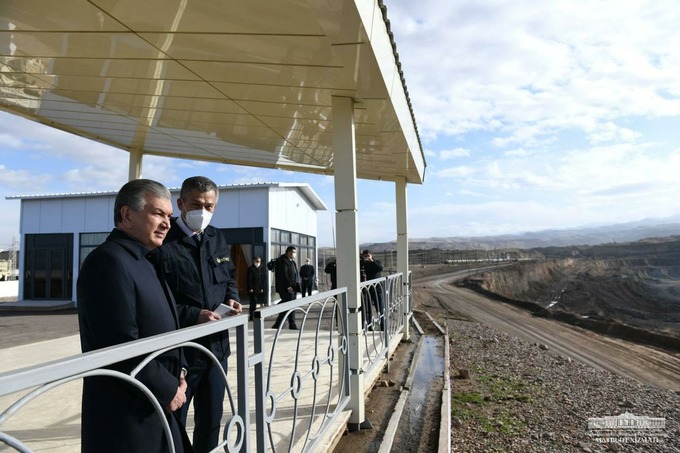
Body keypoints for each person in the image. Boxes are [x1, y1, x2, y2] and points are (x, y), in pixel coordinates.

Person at [77, 179, 192, 453]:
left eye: (169, 216)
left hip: (155, 401)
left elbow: (166, 322)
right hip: (127, 413)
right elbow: (120, 344)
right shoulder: (108, 262)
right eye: (158, 214)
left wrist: (181, 372)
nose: (167, 223)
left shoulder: (146, 259)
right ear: (127, 215)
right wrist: (168, 389)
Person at [161, 176, 242, 453]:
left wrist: (233, 298)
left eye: (210, 206)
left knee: (211, 422)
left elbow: (228, 276)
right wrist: (192, 314)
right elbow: (159, 298)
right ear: (180, 203)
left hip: (216, 350)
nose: (203, 212)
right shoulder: (163, 241)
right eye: (196, 204)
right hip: (181, 353)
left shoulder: (216, 237)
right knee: (174, 424)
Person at [272, 246, 300, 330]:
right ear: (287, 252)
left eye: (294, 252)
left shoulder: (292, 262)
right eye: (292, 252)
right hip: (286, 288)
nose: (293, 254)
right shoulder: (283, 261)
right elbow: (284, 275)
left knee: (291, 306)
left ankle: (289, 324)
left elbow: (295, 275)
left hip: (293, 288)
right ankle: (279, 324)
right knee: (287, 305)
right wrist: (288, 286)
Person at [361, 249, 384, 330]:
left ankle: (383, 327)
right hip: (367, 289)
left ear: (371, 255)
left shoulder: (376, 262)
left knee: (380, 308)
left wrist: (371, 261)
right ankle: (369, 327)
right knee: (368, 309)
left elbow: (380, 268)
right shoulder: (363, 264)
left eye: (367, 256)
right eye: (365, 256)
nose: (366, 258)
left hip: (377, 288)